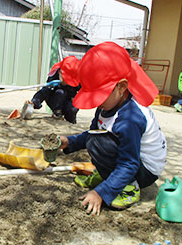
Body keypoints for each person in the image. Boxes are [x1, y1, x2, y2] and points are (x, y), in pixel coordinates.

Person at [58, 41, 167, 215]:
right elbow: (91, 135)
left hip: (143, 169)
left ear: (122, 87)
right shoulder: (107, 105)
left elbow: (129, 163)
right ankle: (108, 177)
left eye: (99, 94)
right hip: (131, 160)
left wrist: (101, 192)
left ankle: (128, 187)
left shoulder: (130, 119)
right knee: (96, 139)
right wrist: (69, 142)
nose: (97, 102)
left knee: (100, 143)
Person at [23, 56, 80, 123]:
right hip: (55, 100)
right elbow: (44, 91)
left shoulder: (78, 78)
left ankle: (71, 120)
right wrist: (34, 102)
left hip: (68, 101)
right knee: (60, 93)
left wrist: (76, 98)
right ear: (60, 72)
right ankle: (57, 113)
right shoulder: (54, 77)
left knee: (72, 109)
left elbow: (83, 91)